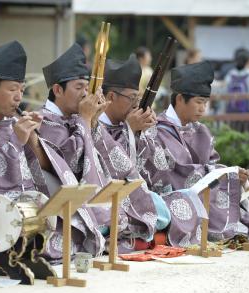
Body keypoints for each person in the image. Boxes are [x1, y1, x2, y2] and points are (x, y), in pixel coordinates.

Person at [0, 41, 103, 268]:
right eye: (12, 89)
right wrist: (15, 142)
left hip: (22, 208)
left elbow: (42, 171)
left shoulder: (12, 122)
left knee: (66, 222)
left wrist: (34, 141)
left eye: (21, 89)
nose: (19, 97)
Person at [39, 44, 165, 252]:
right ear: (57, 90)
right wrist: (86, 120)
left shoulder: (77, 117)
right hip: (66, 205)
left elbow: (119, 163)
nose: (84, 95)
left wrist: (136, 132)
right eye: (78, 88)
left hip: (98, 197)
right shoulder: (45, 121)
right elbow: (70, 166)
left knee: (157, 207)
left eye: (86, 88)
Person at [137, 61, 249, 241]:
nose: (203, 109)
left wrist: (232, 177)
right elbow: (168, 175)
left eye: (206, 103)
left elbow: (213, 166)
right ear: (179, 99)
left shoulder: (202, 131)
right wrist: (219, 173)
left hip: (205, 197)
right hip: (170, 200)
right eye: (199, 102)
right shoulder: (155, 130)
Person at [99, 54, 208, 247]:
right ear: (111, 97)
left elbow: (154, 168)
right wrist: (130, 131)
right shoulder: (93, 124)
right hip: (107, 197)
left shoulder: (128, 121)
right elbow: (108, 170)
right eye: (132, 98)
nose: (135, 104)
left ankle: (147, 236)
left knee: (184, 202)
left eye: (138, 98)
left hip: (140, 194)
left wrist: (144, 132)